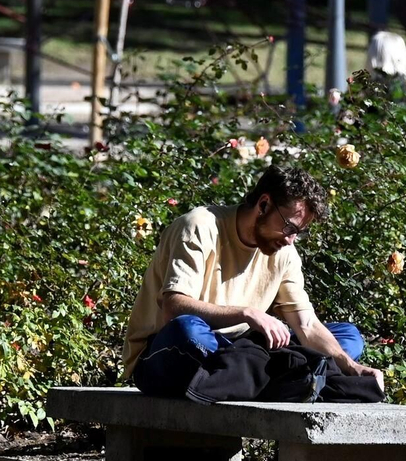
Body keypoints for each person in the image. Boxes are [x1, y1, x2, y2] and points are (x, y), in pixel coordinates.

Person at [124, 164, 384, 403]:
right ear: (263, 204)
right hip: (170, 352)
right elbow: (173, 307)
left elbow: (306, 324)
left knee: (348, 339)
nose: (291, 240)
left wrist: (351, 366)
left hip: (238, 351)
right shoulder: (199, 226)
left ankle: (249, 376)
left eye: (299, 233)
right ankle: (288, 377)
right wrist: (247, 314)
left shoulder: (284, 254)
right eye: (289, 228)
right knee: (187, 332)